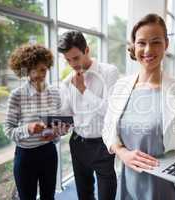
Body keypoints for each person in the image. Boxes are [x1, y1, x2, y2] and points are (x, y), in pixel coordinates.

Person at [102, 13, 175, 200]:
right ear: (133, 46)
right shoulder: (121, 86)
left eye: (156, 42)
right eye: (141, 43)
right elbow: (107, 130)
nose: (148, 50)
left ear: (166, 45)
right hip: (128, 178)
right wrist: (122, 153)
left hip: (161, 182)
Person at [58, 30, 119, 200]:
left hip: (103, 144)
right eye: (68, 60)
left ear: (87, 50)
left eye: (75, 58)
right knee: (84, 195)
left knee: (106, 195)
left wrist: (83, 90)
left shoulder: (109, 72)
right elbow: (68, 114)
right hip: (78, 143)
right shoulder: (67, 81)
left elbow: (111, 112)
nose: (72, 64)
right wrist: (61, 125)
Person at [4, 44, 68, 200]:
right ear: (25, 69)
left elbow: (58, 125)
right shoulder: (17, 95)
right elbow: (8, 130)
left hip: (48, 153)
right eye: (34, 70)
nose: (39, 74)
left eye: (43, 70)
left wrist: (56, 134)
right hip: (25, 157)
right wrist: (28, 129)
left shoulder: (54, 92)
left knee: (49, 197)